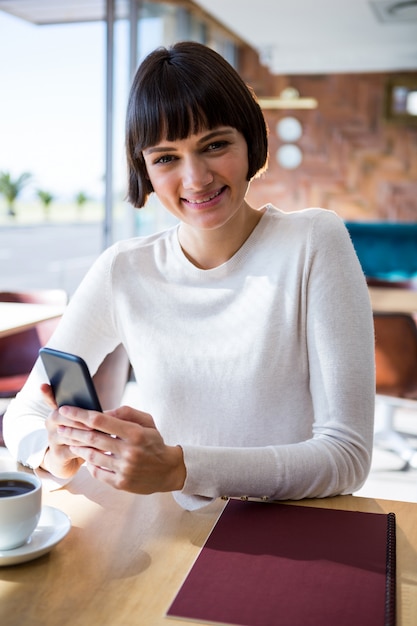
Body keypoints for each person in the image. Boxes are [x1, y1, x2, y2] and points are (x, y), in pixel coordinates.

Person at [3, 42, 375, 511]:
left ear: (249, 140)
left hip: (293, 531)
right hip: (180, 538)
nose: (196, 178)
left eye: (214, 145)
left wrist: (181, 467)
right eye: (166, 158)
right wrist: (55, 453)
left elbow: (347, 456)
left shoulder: (313, 242)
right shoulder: (124, 270)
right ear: (145, 169)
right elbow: (22, 416)